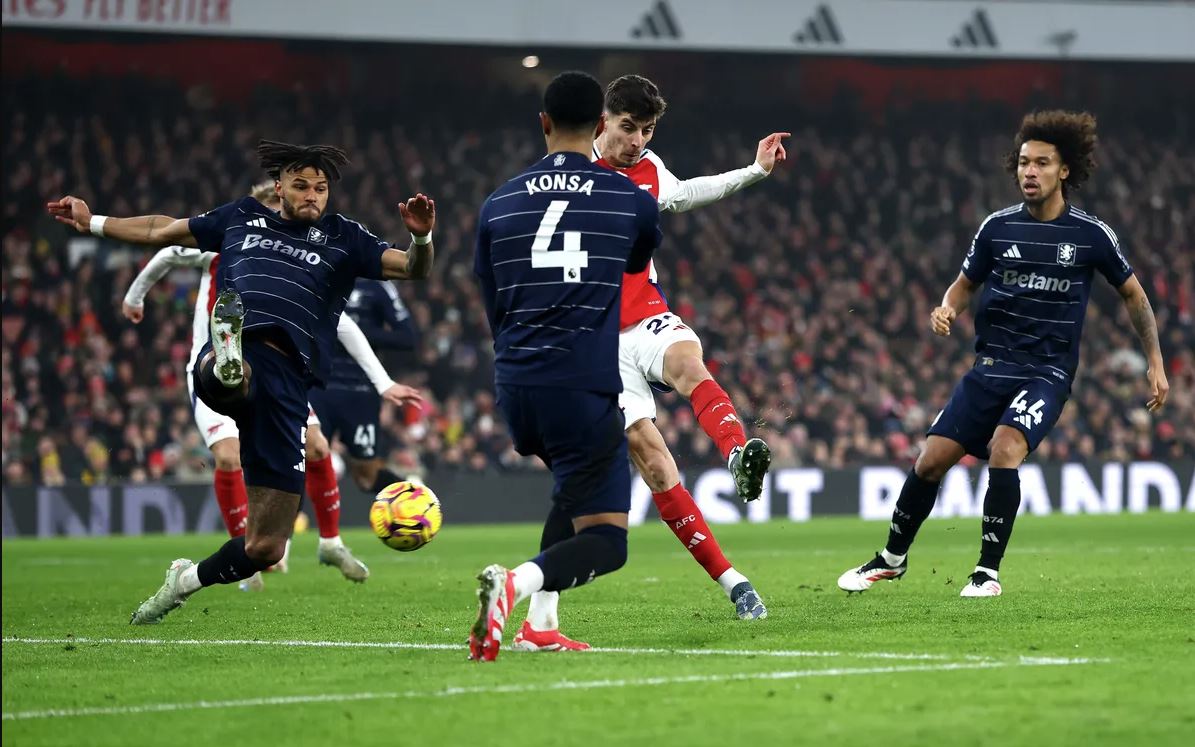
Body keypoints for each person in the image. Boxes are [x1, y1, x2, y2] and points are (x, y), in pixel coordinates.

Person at [49, 139, 436, 623]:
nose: (312, 195)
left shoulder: (345, 238)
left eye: (320, 188)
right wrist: (93, 222)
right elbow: (160, 230)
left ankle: (184, 581)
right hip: (246, 351)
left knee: (266, 546)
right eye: (301, 185)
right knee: (234, 376)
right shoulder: (241, 217)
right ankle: (227, 357)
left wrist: (421, 238)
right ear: (279, 187)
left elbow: (413, 269)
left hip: (291, 386)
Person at [837, 110, 1169, 597]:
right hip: (990, 367)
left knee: (1005, 447)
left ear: (1065, 170)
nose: (1029, 171)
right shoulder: (997, 228)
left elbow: (1134, 296)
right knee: (930, 461)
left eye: (1041, 163)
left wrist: (1155, 361)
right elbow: (963, 285)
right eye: (1023, 162)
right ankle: (891, 559)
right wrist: (946, 308)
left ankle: (986, 573)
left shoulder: (1091, 235)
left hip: (1047, 372)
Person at [515, 75, 788, 650]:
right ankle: (733, 581)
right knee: (655, 462)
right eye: (628, 128)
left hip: (646, 318)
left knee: (690, 362)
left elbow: (683, 193)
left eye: (647, 130)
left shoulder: (647, 167)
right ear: (602, 122)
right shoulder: (568, 176)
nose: (637, 141)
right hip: (593, 342)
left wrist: (755, 171)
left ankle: (736, 452)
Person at [120, 183, 421, 590]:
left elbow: (344, 324)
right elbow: (168, 250)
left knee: (318, 446)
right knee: (229, 456)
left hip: (280, 373)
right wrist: (135, 297)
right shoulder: (228, 238)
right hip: (215, 365)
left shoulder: (294, 261)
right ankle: (247, 558)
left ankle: (330, 542)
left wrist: (383, 382)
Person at [468, 71, 661, 662]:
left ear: (544, 123)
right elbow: (636, 261)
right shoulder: (629, 199)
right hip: (581, 383)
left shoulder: (498, 203)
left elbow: (491, 298)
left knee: (571, 490)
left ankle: (540, 626)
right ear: (601, 124)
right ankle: (514, 586)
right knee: (606, 540)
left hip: (516, 384)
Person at [307, 277, 419, 495]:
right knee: (305, 460)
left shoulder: (377, 287)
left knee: (367, 476)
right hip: (317, 388)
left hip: (360, 392)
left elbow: (408, 338)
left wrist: (356, 332)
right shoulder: (319, 276)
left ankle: (416, 500)